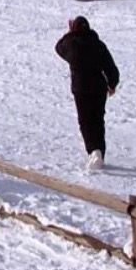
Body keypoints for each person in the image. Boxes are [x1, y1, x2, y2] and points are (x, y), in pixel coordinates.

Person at [55, 15, 121, 170]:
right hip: (98, 87)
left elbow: (58, 47)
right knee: (98, 120)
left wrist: (69, 33)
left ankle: (93, 151)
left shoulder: (72, 44)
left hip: (81, 88)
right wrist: (112, 85)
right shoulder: (98, 44)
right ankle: (99, 153)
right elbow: (111, 67)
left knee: (85, 122)